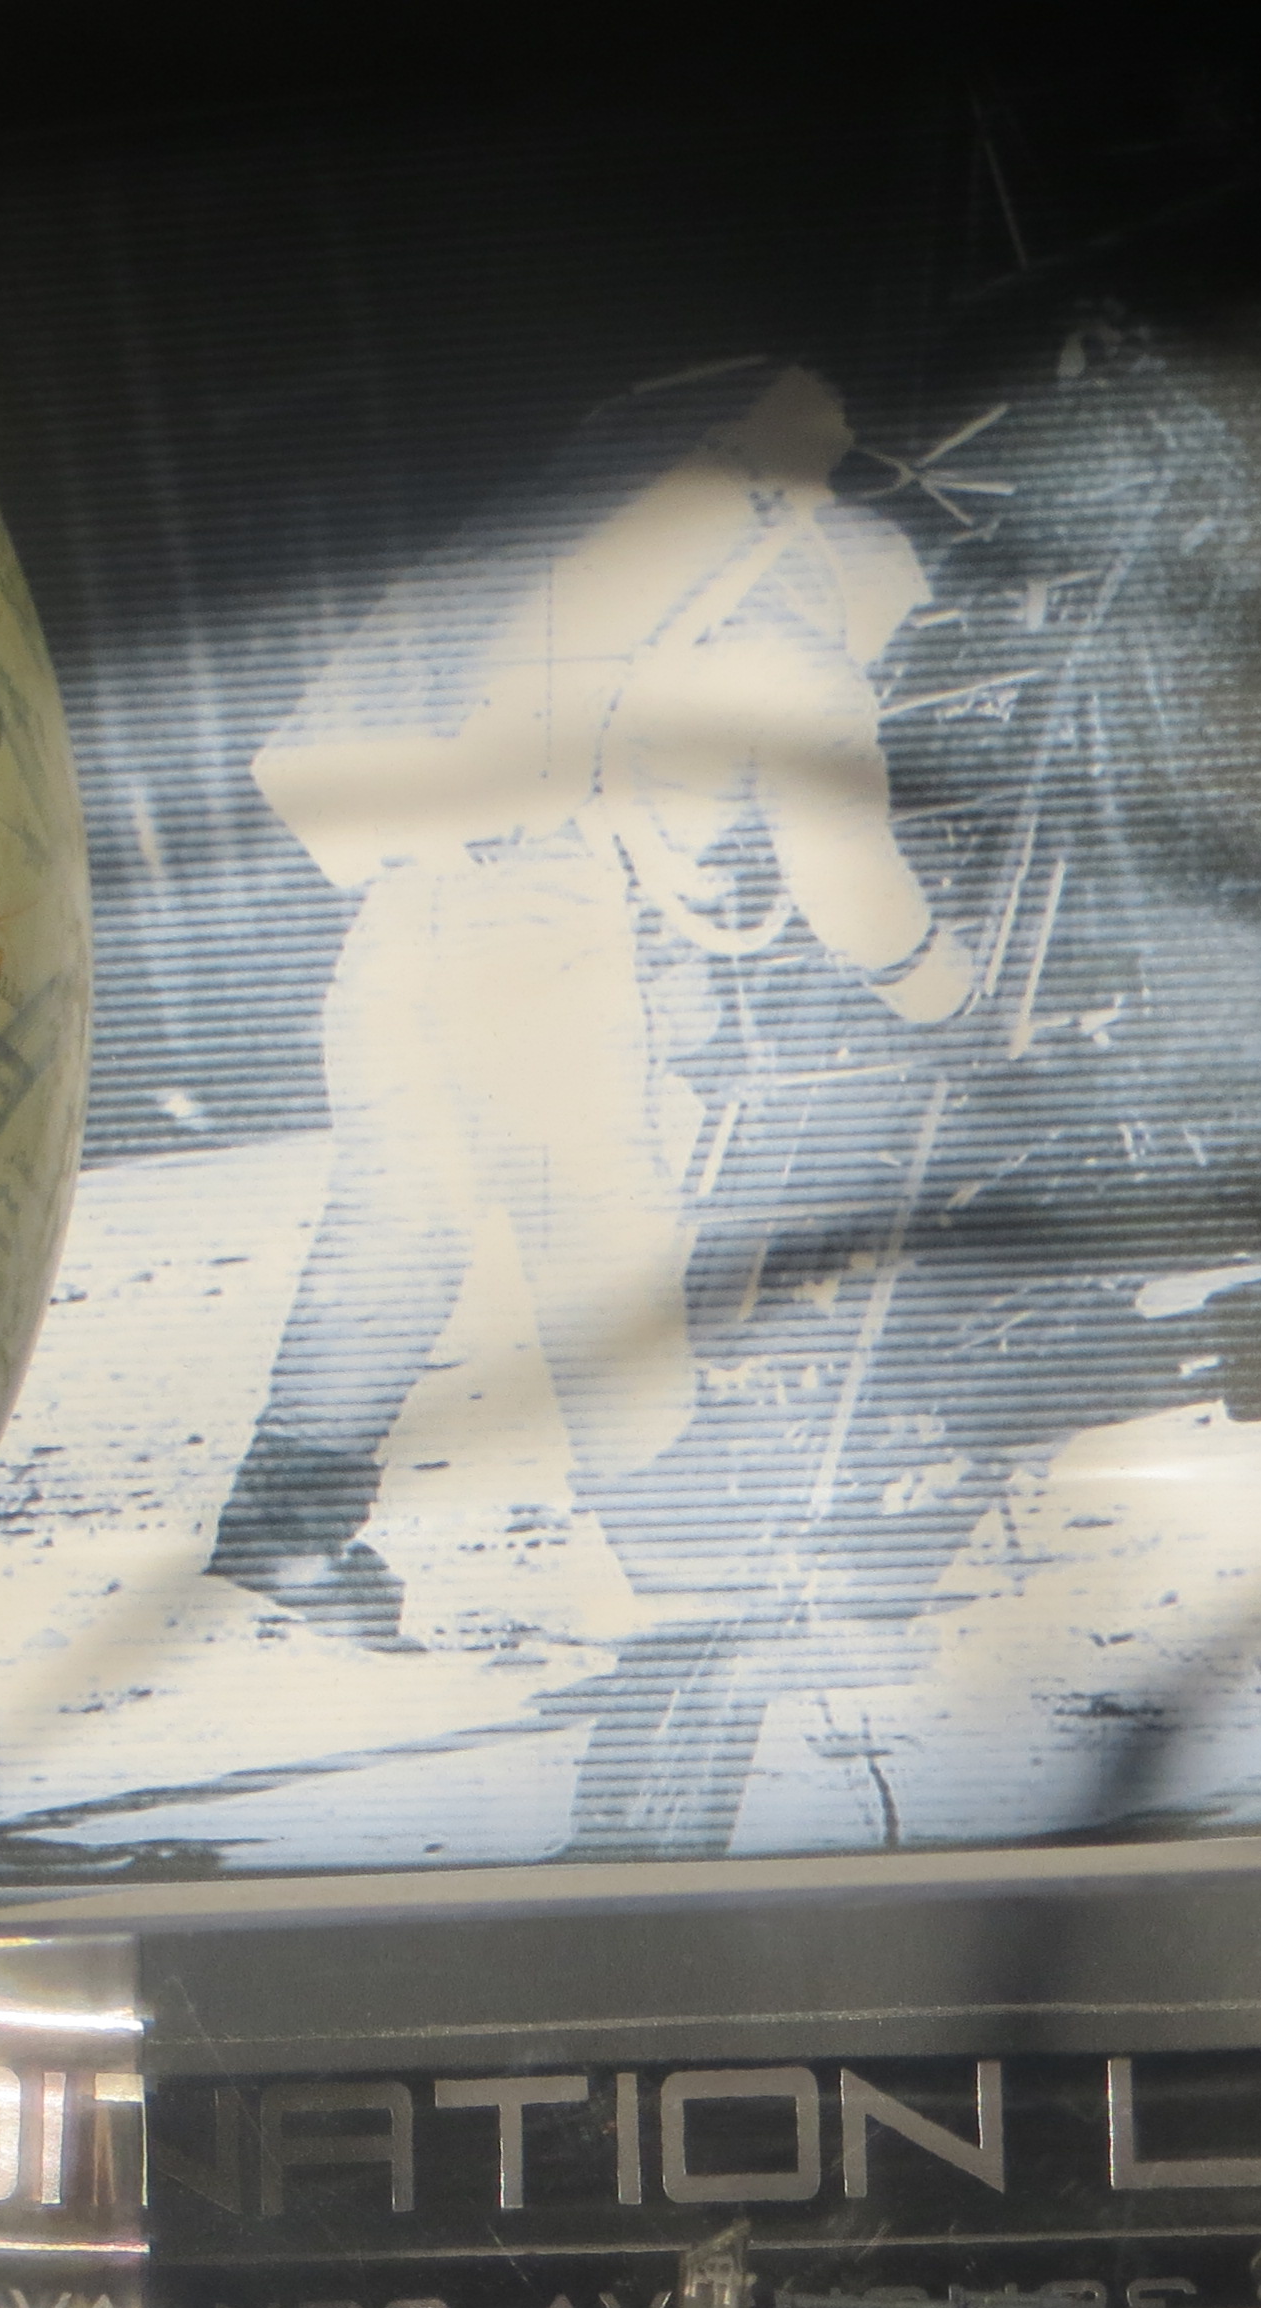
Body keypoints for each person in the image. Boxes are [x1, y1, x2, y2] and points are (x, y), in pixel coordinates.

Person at [206, 360, 975, 1638]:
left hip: (399, 911)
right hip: (543, 925)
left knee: (395, 1230)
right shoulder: (792, 638)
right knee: (601, 1245)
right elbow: (847, 878)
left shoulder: (618, 590)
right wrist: (944, 995)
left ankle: (280, 1528)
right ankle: (693, 1573)